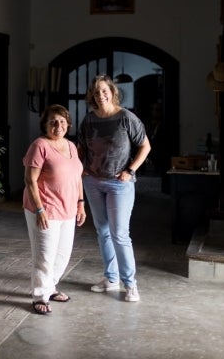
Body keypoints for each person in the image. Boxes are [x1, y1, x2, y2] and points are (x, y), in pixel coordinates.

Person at [77, 74, 151, 302]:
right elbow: (81, 147)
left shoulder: (126, 117)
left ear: (112, 91)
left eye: (104, 90)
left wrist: (130, 171)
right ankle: (111, 279)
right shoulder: (89, 120)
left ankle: (131, 285)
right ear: (92, 95)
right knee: (103, 232)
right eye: (96, 92)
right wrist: (82, 168)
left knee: (119, 234)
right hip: (93, 181)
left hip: (120, 183)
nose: (100, 95)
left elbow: (145, 146)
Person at [23, 104, 86, 315]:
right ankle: (40, 296)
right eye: (53, 122)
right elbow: (30, 180)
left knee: (62, 255)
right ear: (45, 125)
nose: (58, 125)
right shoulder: (39, 145)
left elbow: (77, 177)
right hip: (45, 209)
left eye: (61, 121)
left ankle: (50, 288)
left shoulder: (71, 146)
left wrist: (81, 203)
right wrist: (39, 209)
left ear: (67, 123)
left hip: (68, 209)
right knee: (44, 256)